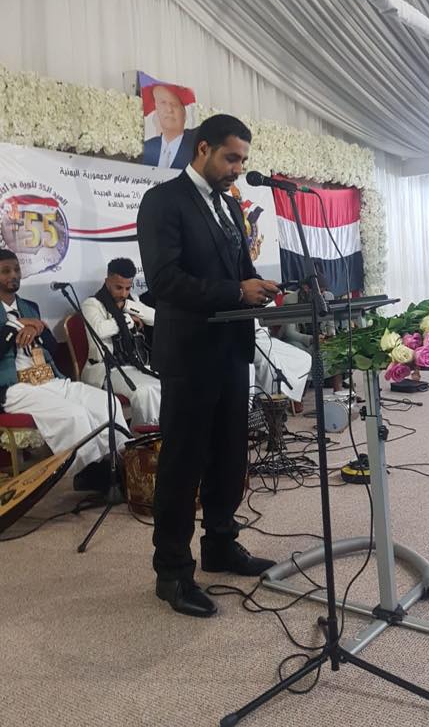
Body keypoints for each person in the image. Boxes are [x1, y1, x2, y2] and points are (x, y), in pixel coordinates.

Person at [138, 114, 280, 618]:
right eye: (231, 158)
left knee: (228, 456)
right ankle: (172, 572)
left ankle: (220, 543)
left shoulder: (229, 204)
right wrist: (235, 291)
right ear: (203, 149)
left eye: (242, 160)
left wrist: (262, 288)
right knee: (183, 464)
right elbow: (165, 281)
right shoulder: (163, 201)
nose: (238, 168)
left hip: (231, 350)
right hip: (190, 353)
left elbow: (240, 271)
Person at [0, 249, 128, 483]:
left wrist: (39, 328)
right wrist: (15, 324)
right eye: (6, 271)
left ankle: (119, 461)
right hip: (15, 388)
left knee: (106, 402)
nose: (13, 275)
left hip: (49, 379)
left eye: (16, 269)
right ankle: (86, 473)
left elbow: (51, 347)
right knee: (74, 415)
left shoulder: (29, 306)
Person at [81, 258, 160, 428]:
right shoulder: (92, 304)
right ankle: (142, 438)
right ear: (107, 281)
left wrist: (127, 306)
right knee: (143, 391)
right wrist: (127, 320)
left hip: (136, 364)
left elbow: (155, 318)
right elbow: (100, 330)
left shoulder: (130, 301)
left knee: (164, 384)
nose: (123, 293)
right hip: (106, 369)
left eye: (128, 288)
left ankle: (160, 435)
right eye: (118, 287)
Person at [253, 319, 311, 405]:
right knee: (272, 360)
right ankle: (270, 400)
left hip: (266, 338)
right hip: (252, 341)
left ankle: (295, 394)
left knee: (304, 357)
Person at [143, 83, 198, 169]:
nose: (169, 110)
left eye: (174, 104)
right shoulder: (146, 148)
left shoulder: (196, 148)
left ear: (185, 114)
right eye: (163, 103)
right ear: (157, 111)